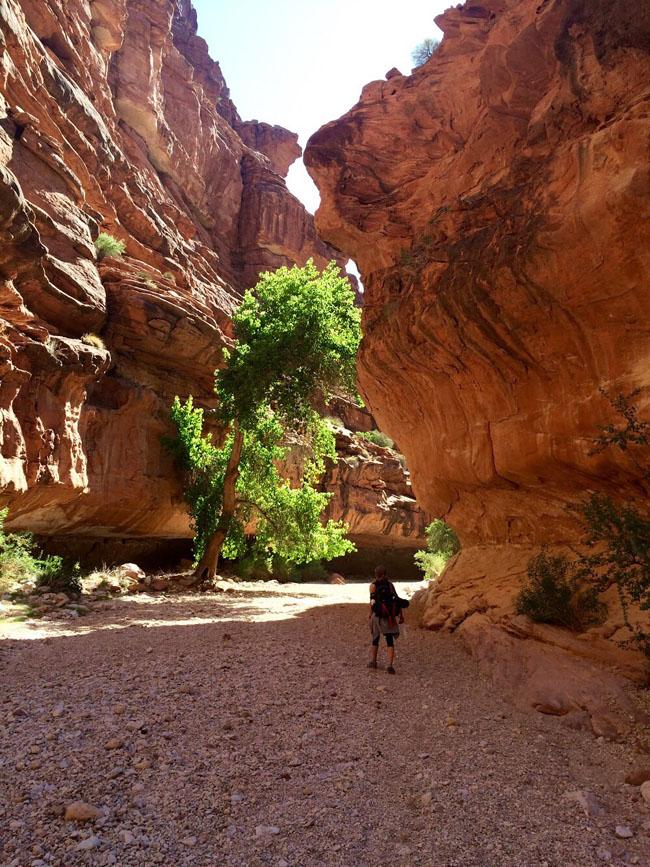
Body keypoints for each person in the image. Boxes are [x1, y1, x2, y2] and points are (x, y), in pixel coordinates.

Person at [368, 565, 404, 674]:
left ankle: (373, 662)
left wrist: (370, 614)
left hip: (377, 615)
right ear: (385, 574)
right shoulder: (390, 585)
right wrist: (401, 615)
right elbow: (396, 600)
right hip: (389, 616)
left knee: (375, 639)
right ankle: (389, 665)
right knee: (389, 640)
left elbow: (372, 601)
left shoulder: (373, 586)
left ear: (376, 574)